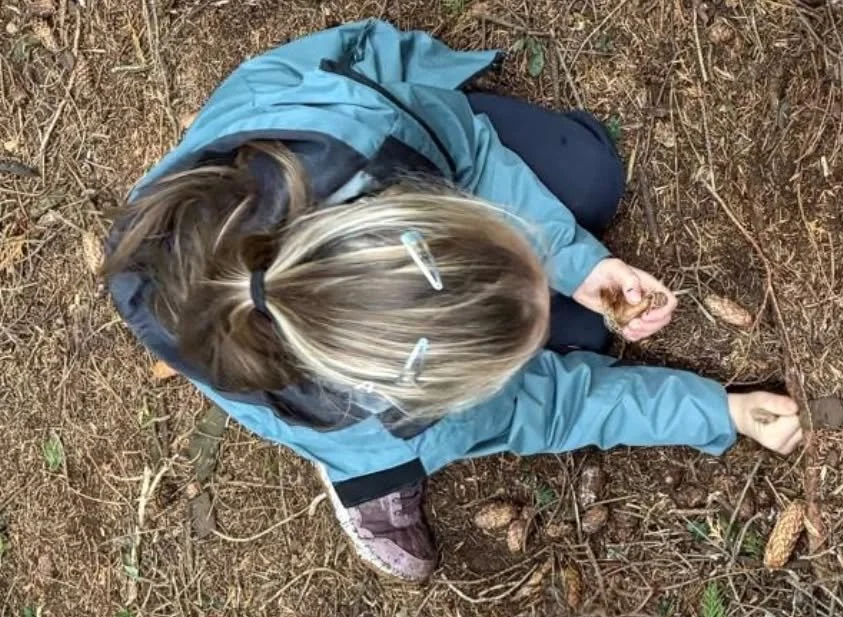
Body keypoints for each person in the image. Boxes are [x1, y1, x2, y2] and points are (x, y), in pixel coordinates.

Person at [105, 20, 802, 583]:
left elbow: (467, 149)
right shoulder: (404, 427)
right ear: (435, 391)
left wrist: (578, 264)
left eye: (511, 247)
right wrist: (721, 410)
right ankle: (366, 483)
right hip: (358, 415)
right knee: (581, 340)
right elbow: (555, 406)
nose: (548, 284)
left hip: (332, 108)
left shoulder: (365, 134)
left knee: (587, 178)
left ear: (426, 203)